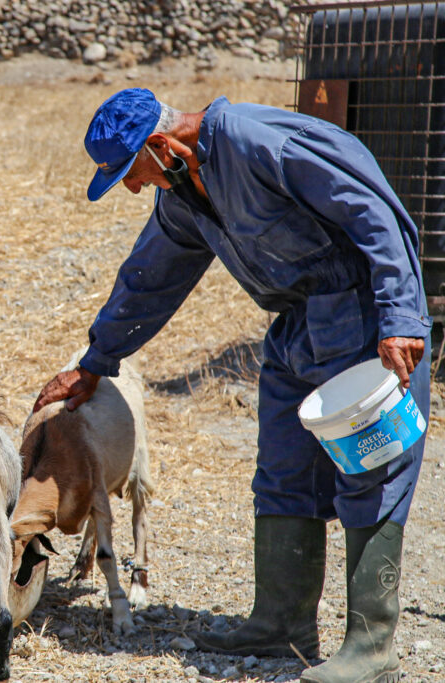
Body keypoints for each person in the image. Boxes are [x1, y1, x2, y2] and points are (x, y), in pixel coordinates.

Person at [33, 88, 430, 683]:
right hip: (298, 330)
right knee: (283, 472)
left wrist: (401, 316)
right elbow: (149, 279)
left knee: (371, 471)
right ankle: (280, 625)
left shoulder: (259, 143)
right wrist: (96, 361)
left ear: (162, 146)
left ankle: (372, 650)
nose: (135, 189)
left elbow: (373, 211)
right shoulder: (185, 195)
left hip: (364, 322)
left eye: (131, 174)